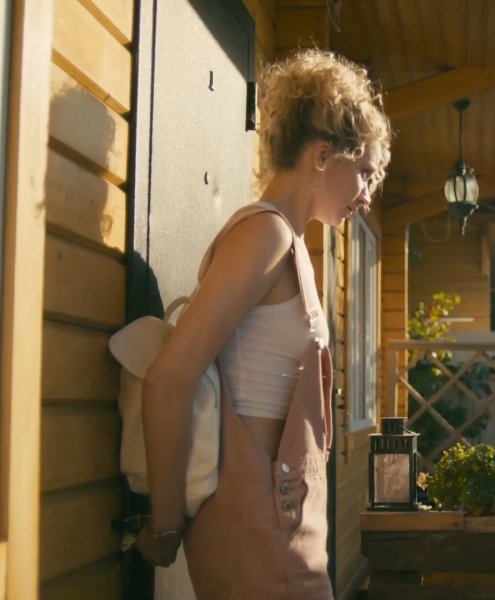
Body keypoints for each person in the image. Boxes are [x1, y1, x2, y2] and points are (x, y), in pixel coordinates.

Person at [135, 48, 391, 599]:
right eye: (365, 173)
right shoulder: (266, 235)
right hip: (256, 530)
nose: (368, 196)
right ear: (322, 155)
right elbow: (170, 377)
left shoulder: (291, 244)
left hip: (284, 528)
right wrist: (165, 525)